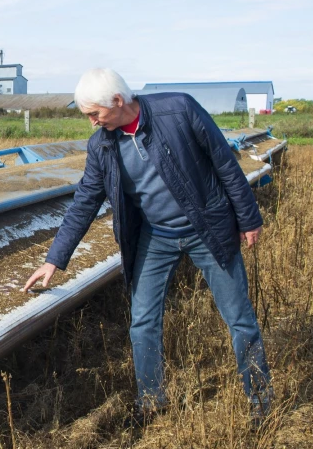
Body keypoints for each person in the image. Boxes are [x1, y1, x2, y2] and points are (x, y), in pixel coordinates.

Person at [22, 68, 272, 428]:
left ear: (118, 101)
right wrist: (54, 260)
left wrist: (248, 218)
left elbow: (224, 163)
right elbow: (85, 202)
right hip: (156, 236)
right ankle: (152, 403)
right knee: (142, 322)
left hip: (208, 228)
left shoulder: (179, 111)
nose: (92, 123)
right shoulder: (102, 145)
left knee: (240, 319)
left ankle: (260, 402)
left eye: (95, 114)